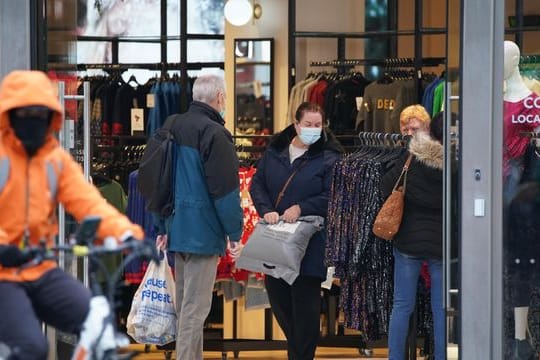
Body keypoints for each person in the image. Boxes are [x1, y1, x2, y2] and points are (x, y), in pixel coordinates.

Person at [0, 70, 145, 359]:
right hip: (5, 274)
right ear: (10, 115)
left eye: (40, 113)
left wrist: (127, 233)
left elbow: (89, 202)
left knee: (97, 323)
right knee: (33, 346)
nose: (33, 120)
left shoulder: (54, 159)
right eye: (25, 113)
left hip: (42, 268)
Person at [153, 74, 244, 360]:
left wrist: (162, 225)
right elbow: (226, 192)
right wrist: (235, 233)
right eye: (225, 98)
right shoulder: (215, 134)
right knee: (195, 308)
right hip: (202, 233)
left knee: (186, 305)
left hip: (177, 228)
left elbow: (157, 180)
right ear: (219, 98)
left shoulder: (171, 125)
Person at [249, 102, 344, 360]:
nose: (314, 129)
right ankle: (298, 350)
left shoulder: (329, 158)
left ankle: (300, 355)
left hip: (310, 242)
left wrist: (302, 207)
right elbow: (256, 185)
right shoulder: (275, 152)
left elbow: (333, 195)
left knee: (305, 307)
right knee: (279, 302)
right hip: (276, 238)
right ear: (296, 124)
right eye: (308, 124)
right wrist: (266, 208)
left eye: (318, 125)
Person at [381, 108, 445, 360]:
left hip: (408, 240)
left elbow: (386, 186)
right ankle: (441, 356)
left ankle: (395, 356)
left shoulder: (408, 159)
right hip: (441, 242)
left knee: (402, 305)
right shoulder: (453, 162)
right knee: (440, 308)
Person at [503, 40, 540, 359]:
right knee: (501, 267)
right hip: (490, 191)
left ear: (515, 60)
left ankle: (519, 339)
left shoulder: (532, 104)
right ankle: (507, 335)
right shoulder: (492, 99)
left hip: (520, 194)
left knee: (521, 267)